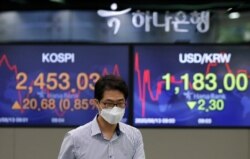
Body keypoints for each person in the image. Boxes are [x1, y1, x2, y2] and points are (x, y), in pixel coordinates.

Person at [58, 75, 145, 159]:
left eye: (120, 103)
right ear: (97, 103)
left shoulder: (134, 136)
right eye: (109, 103)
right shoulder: (75, 138)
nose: (115, 108)